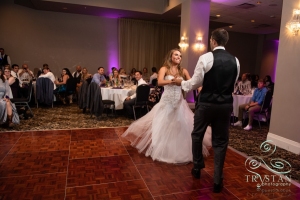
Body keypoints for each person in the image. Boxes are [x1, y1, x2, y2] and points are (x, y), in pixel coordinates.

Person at [173, 29, 240, 193]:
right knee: (221, 141)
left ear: (213, 41)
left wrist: (181, 83)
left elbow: (195, 83)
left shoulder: (206, 58)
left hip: (206, 104)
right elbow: (234, 82)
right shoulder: (235, 61)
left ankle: (197, 167)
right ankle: (217, 179)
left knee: (197, 134)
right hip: (225, 106)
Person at [122, 49, 212, 164]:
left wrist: (200, 88)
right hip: (167, 102)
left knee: (180, 126)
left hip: (179, 102)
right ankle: (162, 149)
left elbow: (192, 82)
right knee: (163, 124)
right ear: (171, 56)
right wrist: (173, 82)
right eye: (176, 54)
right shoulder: (164, 68)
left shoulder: (183, 70)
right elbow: (159, 82)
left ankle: (179, 150)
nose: (179, 57)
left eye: (180, 56)